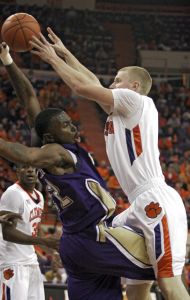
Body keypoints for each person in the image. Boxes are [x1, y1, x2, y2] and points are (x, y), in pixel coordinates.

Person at [29, 29, 189, 300]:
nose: (112, 85)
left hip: (156, 200)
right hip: (138, 203)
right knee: (137, 284)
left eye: (118, 80)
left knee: (169, 284)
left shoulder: (135, 101)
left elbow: (82, 87)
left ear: (134, 87)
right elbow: (92, 82)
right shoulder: (121, 109)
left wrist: (51, 59)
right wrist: (66, 53)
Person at [0, 42, 155, 300]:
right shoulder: (56, 153)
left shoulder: (58, 145)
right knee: (165, 262)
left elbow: (29, 99)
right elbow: (24, 154)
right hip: (93, 237)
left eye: (70, 122)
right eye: (65, 125)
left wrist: (8, 61)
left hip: (76, 244)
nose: (72, 127)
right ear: (50, 135)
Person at [0, 164, 59, 300]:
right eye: (24, 167)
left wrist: (51, 251)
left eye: (33, 167)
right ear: (17, 172)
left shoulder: (39, 196)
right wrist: (44, 241)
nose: (30, 170)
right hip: (12, 263)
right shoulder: (13, 194)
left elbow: (34, 230)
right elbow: (8, 233)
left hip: (31, 262)